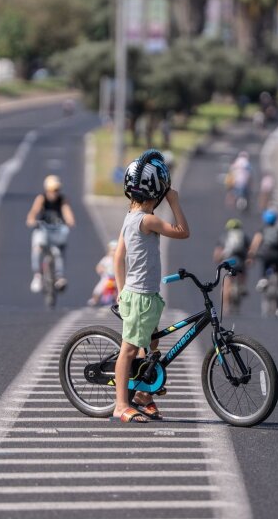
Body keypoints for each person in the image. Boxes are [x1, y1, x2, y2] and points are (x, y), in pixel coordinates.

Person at [112, 150, 189, 423]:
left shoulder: (129, 218)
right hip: (141, 296)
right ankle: (121, 404)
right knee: (130, 349)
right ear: (157, 191)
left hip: (144, 295)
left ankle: (144, 395)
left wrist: (121, 290)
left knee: (151, 344)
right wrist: (175, 201)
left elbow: (118, 256)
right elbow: (183, 231)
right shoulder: (148, 220)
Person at [25, 175, 76, 293]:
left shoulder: (62, 200)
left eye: (57, 190)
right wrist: (31, 220)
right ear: (47, 190)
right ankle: (37, 275)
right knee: (37, 248)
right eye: (52, 190)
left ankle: (59, 276)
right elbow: (33, 212)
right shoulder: (41, 198)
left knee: (58, 252)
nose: (55, 193)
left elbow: (67, 212)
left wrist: (70, 221)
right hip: (43, 229)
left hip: (57, 230)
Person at [249, 209, 278, 317]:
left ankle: (263, 279)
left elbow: (256, 243)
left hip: (266, 254)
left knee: (264, 265)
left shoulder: (263, 229)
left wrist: (251, 254)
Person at [213, 218, 250, 315]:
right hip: (240, 262)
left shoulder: (224, 237)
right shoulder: (244, 236)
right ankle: (242, 286)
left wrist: (217, 258)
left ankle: (226, 307)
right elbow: (249, 251)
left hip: (228, 262)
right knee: (243, 271)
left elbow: (218, 251)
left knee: (226, 284)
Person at [87, 240, 119, 307]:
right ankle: (95, 299)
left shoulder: (118, 260)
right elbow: (99, 266)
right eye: (112, 250)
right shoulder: (106, 259)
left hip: (116, 279)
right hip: (106, 278)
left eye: (115, 250)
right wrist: (101, 270)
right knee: (98, 289)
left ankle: (118, 302)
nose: (113, 252)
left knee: (117, 291)